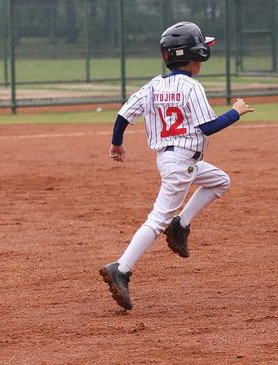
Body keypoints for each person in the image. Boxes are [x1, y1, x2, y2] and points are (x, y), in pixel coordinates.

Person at [100, 21, 254, 310]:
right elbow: (208, 127)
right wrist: (236, 112)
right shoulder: (191, 87)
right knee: (156, 219)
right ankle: (121, 268)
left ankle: (180, 225)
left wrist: (116, 143)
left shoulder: (153, 85)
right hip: (181, 162)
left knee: (220, 181)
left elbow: (123, 115)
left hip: (173, 159)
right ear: (195, 54)